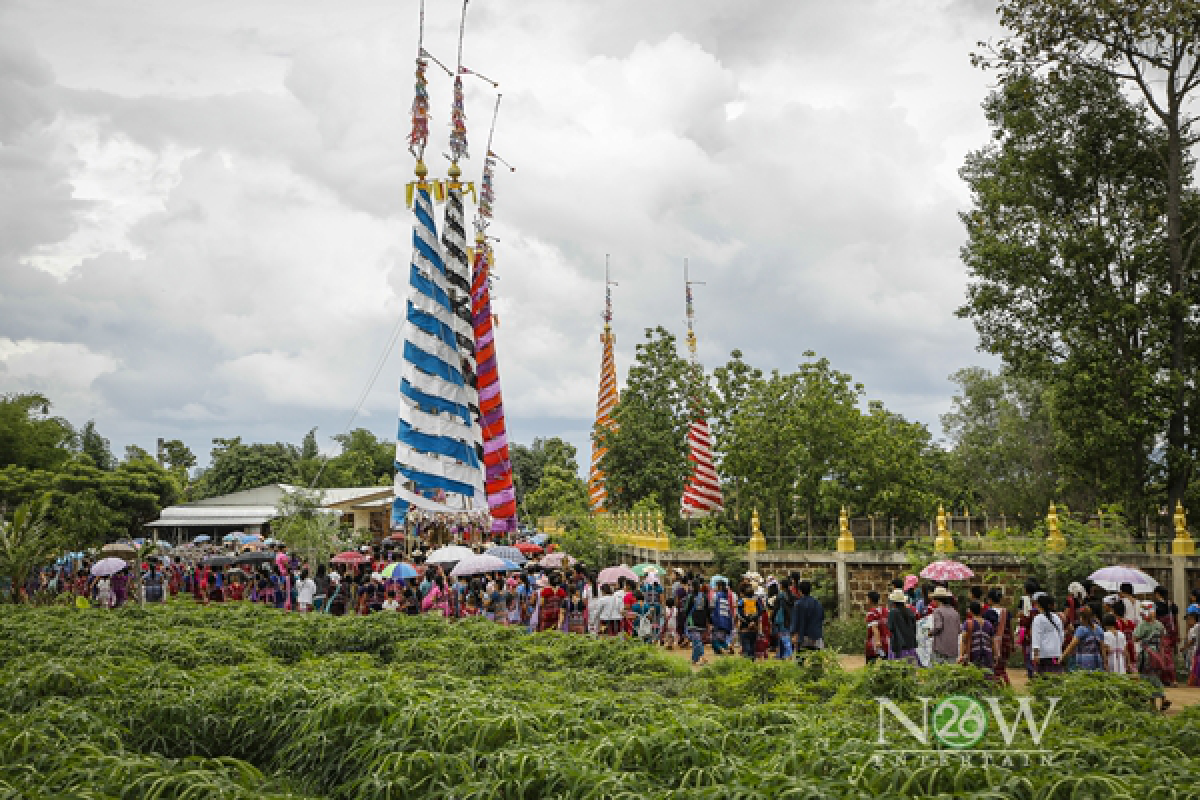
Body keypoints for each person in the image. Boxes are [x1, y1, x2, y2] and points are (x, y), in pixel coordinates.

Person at [1134, 601, 1172, 711]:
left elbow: (1135, 638)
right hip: (1158, 654)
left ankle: (1154, 703)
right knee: (1155, 676)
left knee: (1148, 678)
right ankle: (1161, 700)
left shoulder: (1142, 625)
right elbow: (1163, 640)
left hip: (1147, 655)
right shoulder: (1159, 624)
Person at [983, 588, 1013, 685]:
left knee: (993, 666)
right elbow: (1010, 628)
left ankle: (997, 686)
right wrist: (1012, 643)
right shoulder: (1006, 612)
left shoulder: (988, 613)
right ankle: (1005, 685)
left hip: (992, 643)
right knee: (1002, 667)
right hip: (1005, 643)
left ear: (990, 600)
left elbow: (986, 629)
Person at [1030, 593, 1065, 674]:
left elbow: (1036, 637)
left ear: (1039, 605)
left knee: (1043, 676)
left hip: (1043, 654)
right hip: (1056, 652)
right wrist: (1058, 647)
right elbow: (1061, 635)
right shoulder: (1056, 617)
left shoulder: (1038, 619)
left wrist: (1036, 654)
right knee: (1056, 675)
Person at [1061, 607, 1105, 672]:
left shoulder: (1081, 629)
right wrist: (1105, 661)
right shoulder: (1099, 629)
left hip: (1084, 660)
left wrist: (1062, 657)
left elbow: (1072, 645)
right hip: (1097, 659)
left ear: (1082, 617)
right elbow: (1102, 648)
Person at [959, 601, 995, 674]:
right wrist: (993, 655)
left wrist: (961, 655)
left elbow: (964, 640)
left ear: (971, 611)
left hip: (973, 654)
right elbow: (992, 642)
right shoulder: (989, 624)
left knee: (974, 675)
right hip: (987, 655)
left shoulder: (967, 623)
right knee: (986, 676)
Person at [928, 587, 962, 666]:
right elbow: (959, 630)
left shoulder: (938, 611)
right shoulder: (955, 612)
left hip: (940, 648)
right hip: (953, 648)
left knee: (937, 670)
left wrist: (930, 632)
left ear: (937, 600)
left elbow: (938, 626)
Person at [1153, 586, 1179, 686]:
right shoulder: (1172, 605)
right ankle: (1169, 678)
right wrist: (1177, 634)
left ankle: (1169, 679)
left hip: (1160, 635)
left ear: (1157, 594)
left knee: (1162, 656)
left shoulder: (1156, 606)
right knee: (1169, 655)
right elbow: (1176, 621)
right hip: (1171, 633)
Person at [682, 580, 711, 666]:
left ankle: (703, 657)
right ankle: (694, 660)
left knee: (697, 641)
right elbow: (708, 610)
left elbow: (686, 609)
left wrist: (686, 618)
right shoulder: (704, 596)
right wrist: (708, 621)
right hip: (702, 622)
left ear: (692, 587)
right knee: (696, 641)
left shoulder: (690, 596)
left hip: (693, 621)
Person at [887, 589, 919, 664]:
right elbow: (914, 627)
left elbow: (890, 628)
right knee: (910, 666)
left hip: (898, 645)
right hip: (910, 644)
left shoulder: (893, 612)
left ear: (893, 602)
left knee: (897, 667)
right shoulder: (910, 612)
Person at [791, 580, 824, 651]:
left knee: (802, 656)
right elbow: (821, 618)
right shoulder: (817, 603)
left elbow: (796, 621)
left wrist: (794, 635)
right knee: (816, 656)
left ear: (800, 591)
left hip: (803, 636)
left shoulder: (798, 604)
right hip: (816, 636)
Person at [771, 580, 794, 660]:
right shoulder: (791, 595)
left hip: (782, 618)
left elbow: (776, 608)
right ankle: (781, 654)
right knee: (785, 636)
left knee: (784, 636)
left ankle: (788, 654)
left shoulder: (780, 596)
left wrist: (772, 618)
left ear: (782, 586)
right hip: (789, 618)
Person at [710, 579, 734, 656]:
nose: (715, 588)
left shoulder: (716, 595)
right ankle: (727, 647)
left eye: (716, 586)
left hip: (718, 621)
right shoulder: (726, 596)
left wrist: (711, 620)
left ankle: (724, 650)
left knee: (714, 640)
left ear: (719, 586)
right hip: (726, 621)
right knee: (722, 639)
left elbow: (712, 607)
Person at [736, 585, 760, 659]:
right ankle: (752, 658)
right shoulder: (756, 601)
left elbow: (739, 614)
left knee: (746, 644)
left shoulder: (742, 601)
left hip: (745, 626)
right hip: (754, 626)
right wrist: (753, 621)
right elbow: (760, 611)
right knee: (753, 643)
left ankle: (748, 659)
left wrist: (747, 622)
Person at [865, 590, 889, 663]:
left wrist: (877, 641)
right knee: (886, 663)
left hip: (874, 643)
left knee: (870, 664)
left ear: (870, 600)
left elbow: (874, 628)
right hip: (886, 641)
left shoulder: (871, 613)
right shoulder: (885, 610)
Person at [1183, 607, 1200, 687]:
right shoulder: (1193, 628)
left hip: (1195, 650)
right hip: (1194, 650)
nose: (1187, 621)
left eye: (1189, 619)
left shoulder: (1195, 627)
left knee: (1194, 667)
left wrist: (1184, 647)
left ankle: (1193, 682)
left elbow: (1192, 640)